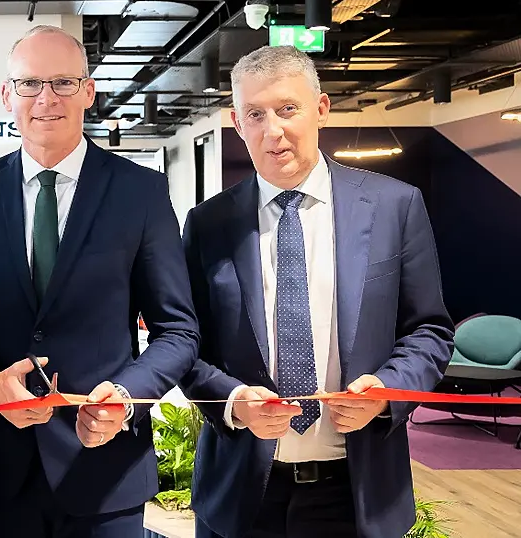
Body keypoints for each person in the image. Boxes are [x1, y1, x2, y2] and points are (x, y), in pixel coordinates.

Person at [0, 24, 201, 538]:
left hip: (106, 466)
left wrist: (125, 393)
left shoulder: (140, 192)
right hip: (2, 472)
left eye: (63, 83)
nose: (46, 98)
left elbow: (178, 331)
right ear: (8, 95)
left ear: (89, 92)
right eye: (30, 84)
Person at [178, 45, 455, 538]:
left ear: (321, 109)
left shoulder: (395, 207)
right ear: (238, 125)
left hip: (356, 491)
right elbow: (185, 344)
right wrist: (233, 399)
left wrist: (386, 392)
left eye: (288, 109)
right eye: (255, 115)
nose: (273, 130)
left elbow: (428, 330)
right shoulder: (208, 224)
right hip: (241, 491)